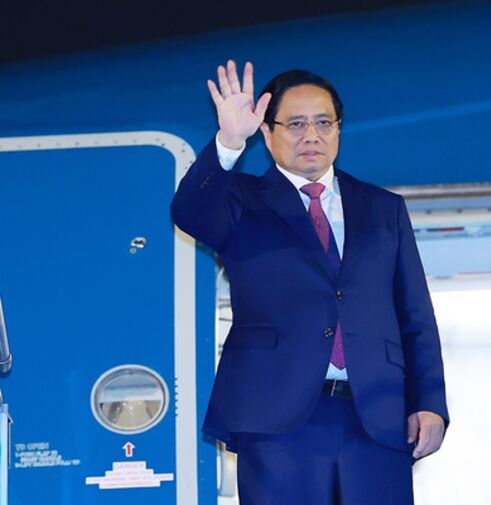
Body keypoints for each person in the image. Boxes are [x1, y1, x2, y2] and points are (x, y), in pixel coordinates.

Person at [171, 59, 450, 505]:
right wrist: (228, 142)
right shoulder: (241, 200)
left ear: (338, 130)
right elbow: (190, 212)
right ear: (267, 133)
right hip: (277, 416)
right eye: (296, 124)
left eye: (324, 123)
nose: (311, 135)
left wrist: (430, 401)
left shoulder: (384, 208)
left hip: (377, 416)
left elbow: (415, 315)